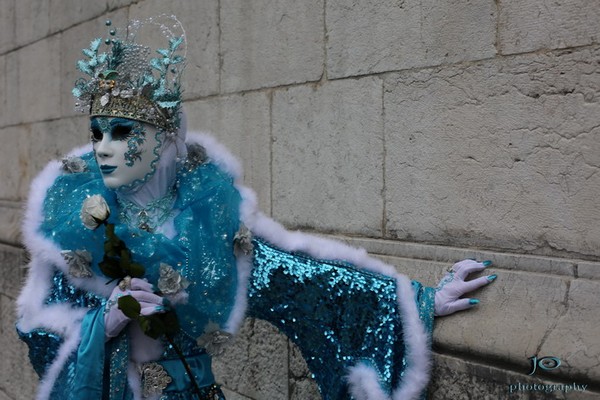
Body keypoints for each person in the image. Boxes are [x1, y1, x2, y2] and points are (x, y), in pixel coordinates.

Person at [16, 16, 495, 400]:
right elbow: (40, 337)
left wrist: (418, 301)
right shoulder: (78, 232)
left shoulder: (206, 224)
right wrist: (109, 321)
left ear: (163, 138)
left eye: (122, 132)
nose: (102, 147)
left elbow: (308, 282)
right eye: (96, 133)